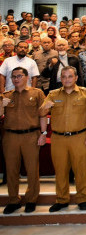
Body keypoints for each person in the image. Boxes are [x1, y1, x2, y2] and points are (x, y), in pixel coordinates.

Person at [42, 66, 86, 212]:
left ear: (76, 78)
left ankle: (83, 198)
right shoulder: (53, 94)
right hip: (58, 138)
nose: (67, 79)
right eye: (64, 76)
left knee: (80, 170)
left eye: (70, 76)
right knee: (60, 171)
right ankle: (62, 199)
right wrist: (45, 107)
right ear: (61, 78)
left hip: (79, 137)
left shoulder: (85, 94)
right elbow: (41, 112)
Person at [1, 67, 47, 214]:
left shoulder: (37, 93)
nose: (16, 79)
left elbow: (43, 114)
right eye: (13, 76)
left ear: (27, 77)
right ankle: (13, 200)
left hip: (31, 135)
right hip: (10, 136)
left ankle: (31, 199)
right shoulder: (6, 96)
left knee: (32, 169)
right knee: (11, 170)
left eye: (19, 76)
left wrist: (43, 133)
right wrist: (2, 105)